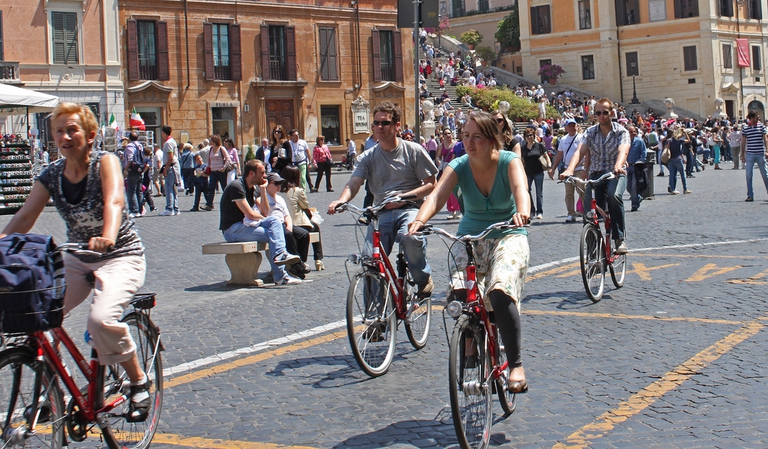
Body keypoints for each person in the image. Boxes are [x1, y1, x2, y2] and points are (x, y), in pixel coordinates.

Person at [0, 102, 152, 422]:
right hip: (77, 258)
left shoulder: (106, 162)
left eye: (73, 129)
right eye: (59, 131)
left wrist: (107, 234)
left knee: (99, 321)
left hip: (120, 255)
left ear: (91, 135)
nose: (65, 136)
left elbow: (113, 199)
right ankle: (51, 387)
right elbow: (26, 215)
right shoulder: (52, 174)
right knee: (36, 314)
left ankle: (139, 381)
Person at [407, 110, 531, 394]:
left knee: (500, 291)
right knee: (460, 294)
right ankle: (470, 340)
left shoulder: (509, 161)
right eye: (465, 136)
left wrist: (522, 213)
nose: (469, 142)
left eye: (476, 137)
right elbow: (437, 195)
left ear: (491, 140)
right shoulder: (459, 165)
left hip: (507, 235)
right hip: (470, 237)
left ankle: (516, 364)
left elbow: (520, 188)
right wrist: (419, 220)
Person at [327, 101, 438, 296]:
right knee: (370, 261)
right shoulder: (368, 156)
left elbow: (430, 184)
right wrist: (341, 200)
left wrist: (404, 197)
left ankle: (422, 277)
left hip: (409, 208)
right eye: (376, 123)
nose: (380, 127)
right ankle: (374, 319)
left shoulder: (413, 150)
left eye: (385, 123)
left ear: (397, 126)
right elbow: (354, 183)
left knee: (410, 237)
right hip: (381, 212)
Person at [560, 97, 630, 255]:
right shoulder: (590, 132)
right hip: (596, 174)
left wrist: (618, 165)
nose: (602, 116)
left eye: (605, 112)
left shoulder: (621, 131)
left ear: (612, 113)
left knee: (614, 196)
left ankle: (619, 239)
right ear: (594, 115)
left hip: (615, 173)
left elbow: (623, 150)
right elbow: (580, 151)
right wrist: (570, 169)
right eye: (598, 113)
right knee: (588, 210)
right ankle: (593, 251)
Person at [220, 159, 302, 284]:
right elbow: (250, 214)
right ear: (251, 173)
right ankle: (280, 275)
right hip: (233, 229)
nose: (265, 176)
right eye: (262, 173)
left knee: (274, 220)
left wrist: (263, 190)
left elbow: (265, 212)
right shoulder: (236, 187)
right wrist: (266, 220)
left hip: (248, 225)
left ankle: (280, 258)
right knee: (274, 233)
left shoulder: (253, 188)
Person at [259, 172, 311, 280]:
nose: (279, 186)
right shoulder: (263, 198)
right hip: (273, 226)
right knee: (287, 235)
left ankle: (299, 262)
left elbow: (287, 215)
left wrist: (289, 225)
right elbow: (264, 213)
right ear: (268, 185)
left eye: (280, 183)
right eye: (276, 183)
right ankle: (297, 264)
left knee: (304, 234)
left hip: (284, 223)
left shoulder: (280, 199)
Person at [282, 165, 325, 271]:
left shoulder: (279, 190)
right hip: (298, 223)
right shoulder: (297, 191)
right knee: (315, 227)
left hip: (284, 223)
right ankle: (318, 259)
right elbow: (305, 205)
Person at [548, 119, 585, 221]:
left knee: (582, 191)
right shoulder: (563, 139)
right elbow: (559, 155)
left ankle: (586, 212)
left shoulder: (581, 137)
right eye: (570, 126)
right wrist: (553, 168)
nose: (572, 127)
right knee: (569, 192)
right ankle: (571, 213)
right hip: (567, 169)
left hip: (579, 168)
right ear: (566, 127)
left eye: (574, 125)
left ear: (576, 126)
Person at [740, 110, 768, 202]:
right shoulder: (745, 128)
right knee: (748, 175)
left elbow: (765, 139)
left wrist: (767, 151)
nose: (758, 119)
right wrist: (742, 154)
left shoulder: (761, 126)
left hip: (760, 153)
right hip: (750, 154)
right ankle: (750, 195)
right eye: (756, 117)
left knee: (765, 175)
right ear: (751, 118)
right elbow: (743, 142)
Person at [520, 129, 546, 219]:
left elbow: (546, 155)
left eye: (531, 135)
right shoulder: (523, 148)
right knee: (527, 191)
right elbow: (522, 160)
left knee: (539, 192)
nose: (529, 137)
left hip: (538, 172)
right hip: (527, 172)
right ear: (525, 137)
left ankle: (539, 211)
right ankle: (531, 210)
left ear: (534, 136)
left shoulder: (539, 146)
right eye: (527, 136)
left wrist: (549, 166)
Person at [438, 129, 461, 219]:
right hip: (444, 168)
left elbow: (455, 156)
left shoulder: (456, 144)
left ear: (452, 134)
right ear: (443, 136)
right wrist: (438, 161)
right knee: (447, 190)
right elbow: (438, 156)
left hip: (454, 167)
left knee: (455, 188)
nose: (447, 135)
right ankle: (451, 210)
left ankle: (458, 209)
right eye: (445, 134)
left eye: (449, 133)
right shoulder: (441, 145)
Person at [205, 134, 233, 211]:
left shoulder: (221, 149)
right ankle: (209, 204)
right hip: (213, 171)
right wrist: (205, 170)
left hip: (221, 171)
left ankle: (229, 203)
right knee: (211, 188)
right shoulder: (210, 149)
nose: (210, 141)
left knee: (224, 187)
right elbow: (209, 161)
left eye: (211, 140)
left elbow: (228, 158)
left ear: (214, 141)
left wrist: (224, 167)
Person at [158, 125, 181, 216]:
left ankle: (169, 208)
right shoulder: (173, 141)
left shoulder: (168, 143)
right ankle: (176, 208)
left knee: (168, 188)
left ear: (164, 133)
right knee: (174, 188)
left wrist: (165, 168)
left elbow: (170, 157)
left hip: (171, 167)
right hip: (175, 166)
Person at [625, 125, 649, 210]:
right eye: (630, 132)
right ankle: (638, 197)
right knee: (628, 187)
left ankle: (634, 205)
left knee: (634, 186)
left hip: (636, 167)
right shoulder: (625, 142)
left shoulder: (639, 141)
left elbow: (644, 153)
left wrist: (639, 162)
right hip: (627, 167)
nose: (632, 133)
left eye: (633, 131)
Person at [123, 131, 144, 217]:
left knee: (131, 190)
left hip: (132, 170)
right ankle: (140, 209)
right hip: (139, 169)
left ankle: (134, 210)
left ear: (129, 138)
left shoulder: (130, 146)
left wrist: (126, 169)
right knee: (139, 191)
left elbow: (130, 159)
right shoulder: (140, 145)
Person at [664, 127, 691, 195]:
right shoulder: (679, 140)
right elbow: (688, 140)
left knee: (672, 175)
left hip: (670, 159)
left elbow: (666, 148)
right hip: (678, 159)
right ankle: (685, 189)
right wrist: (685, 133)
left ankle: (673, 189)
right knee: (682, 174)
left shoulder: (669, 140)